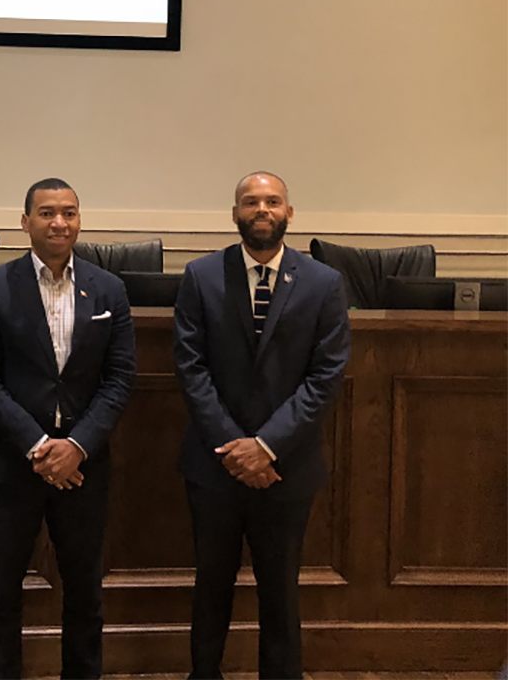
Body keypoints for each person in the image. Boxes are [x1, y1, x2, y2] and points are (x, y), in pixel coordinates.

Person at [173, 171, 350, 680]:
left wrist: (267, 447)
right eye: (251, 202)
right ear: (235, 215)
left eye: (273, 201)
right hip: (214, 466)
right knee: (211, 584)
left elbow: (325, 376)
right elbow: (191, 368)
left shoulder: (323, 282)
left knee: (281, 589)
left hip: (287, 467)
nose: (262, 210)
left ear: (290, 213)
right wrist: (236, 448)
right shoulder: (202, 276)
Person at [0, 178, 136, 680]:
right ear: (25, 222)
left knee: (85, 593)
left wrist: (77, 446)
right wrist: (39, 445)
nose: (59, 222)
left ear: (80, 220)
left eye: (69, 212)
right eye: (46, 213)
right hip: (12, 464)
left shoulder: (109, 289)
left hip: (84, 467)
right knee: (2, 594)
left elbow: (121, 377)